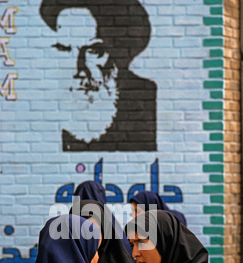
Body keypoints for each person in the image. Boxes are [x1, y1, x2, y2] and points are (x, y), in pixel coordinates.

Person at [39, 0, 157, 152]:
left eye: (94, 51)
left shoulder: (142, 98)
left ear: (115, 53)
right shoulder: (47, 103)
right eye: (64, 49)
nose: (78, 70)